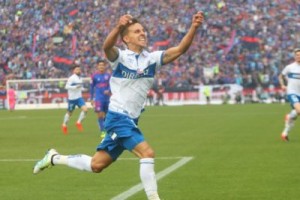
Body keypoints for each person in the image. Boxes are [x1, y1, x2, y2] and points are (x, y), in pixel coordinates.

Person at [33, 12, 204, 200]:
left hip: (130, 119)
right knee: (147, 153)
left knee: (96, 165)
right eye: (137, 31)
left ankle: (54, 158)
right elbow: (107, 47)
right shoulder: (120, 58)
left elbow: (180, 49)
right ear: (126, 38)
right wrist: (117, 27)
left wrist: (194, 27)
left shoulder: (152, 59)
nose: (143, 33)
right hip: (118, 117)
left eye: (143, 30)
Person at [279, 48, 300, 141]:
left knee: (295, 114)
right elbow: (280, 76)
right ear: (294, 56)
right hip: (292, 92)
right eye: (297, 55)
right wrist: (282, 85)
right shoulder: (290, 67)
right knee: (299, 110)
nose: (298, 56)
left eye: (299, 55)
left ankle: (285, 133)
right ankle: (290, 116)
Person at [61, 64, 88, 134]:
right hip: (72, 99)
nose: (78, 70)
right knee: (69, 113)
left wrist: (84, 89)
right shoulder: (71, 78)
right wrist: (75, 87)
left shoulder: (80, 78)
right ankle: (64, 125)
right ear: (74, 71)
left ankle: (78, 122)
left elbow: (80, 87)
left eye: (79, 69)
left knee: (85, 110)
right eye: (77, 69)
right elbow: (66, 87)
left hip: (79, 98)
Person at [90, 60, 111, 138]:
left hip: (107, 98)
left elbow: (111, 84)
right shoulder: (94, 76)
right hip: (99, 98)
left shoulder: (108, 75)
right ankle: (103, 131)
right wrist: (91, 98)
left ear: (105, 66)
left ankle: (106, 128)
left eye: (103, 65)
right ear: (98, 66)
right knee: (100, 115)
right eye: (100, 65)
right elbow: (91, 87)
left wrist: (108, 90)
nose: (101, 66)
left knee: (108, 115)